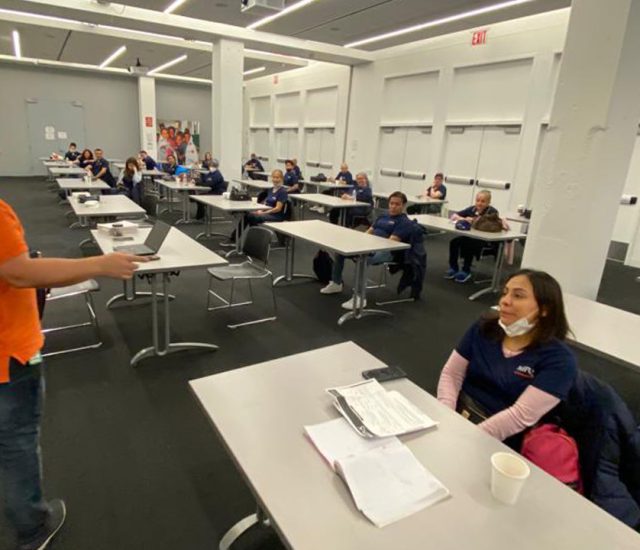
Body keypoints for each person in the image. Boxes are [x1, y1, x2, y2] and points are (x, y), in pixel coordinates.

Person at [0, 199, 149, 550]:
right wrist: (100, 263)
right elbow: (18, 272)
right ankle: (33, 528)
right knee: (16, 443)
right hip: (10, 353)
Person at [436, 269, 577, 446]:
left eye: (518, 295)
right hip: (459, 414)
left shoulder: (559, 360)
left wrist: (466, 439)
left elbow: (520, 415)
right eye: (505, 293)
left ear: (545, 309)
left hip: (501, 440)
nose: (505, 301)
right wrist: (445, 414)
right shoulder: (484, 328)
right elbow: (452, 374)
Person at [320, 191, 413, 310]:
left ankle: (359, 297)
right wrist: (360, 242)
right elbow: (370, 230)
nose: (393, 206)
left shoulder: (404, 222)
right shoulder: (383, 216)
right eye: (391, 203)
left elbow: (391, 242)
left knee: (362, 259)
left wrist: (367, 247)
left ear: (403, 206)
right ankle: (336, 283)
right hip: (371, 244)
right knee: (340, 252)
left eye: (397, 204)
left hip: (387, 251)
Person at [445, 189, 505, 283]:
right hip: (472, 236)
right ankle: (454, 267)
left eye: (483, 201)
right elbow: (455, 215)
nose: (479, 203)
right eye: (477, 200)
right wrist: (464, 218)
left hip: (486, 241)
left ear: (488, 202)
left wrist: (472, 220)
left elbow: (484, 223)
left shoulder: (492, 212)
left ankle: (466, 270)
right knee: (454, 242)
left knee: (469, 244)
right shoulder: (472, 209)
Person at [225, 169, 288, 245]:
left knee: (250, 217)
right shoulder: (271, 190)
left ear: (282, 178)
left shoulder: (282, 192)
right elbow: (266, 202)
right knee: (249, 216)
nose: (275, 179)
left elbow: (278, 208)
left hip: (276, 215)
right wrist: (260, 210)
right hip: (266, 212)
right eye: (274, 177)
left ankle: (237, 239)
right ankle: (257, 240)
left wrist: (263, 212)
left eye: (278, 177)